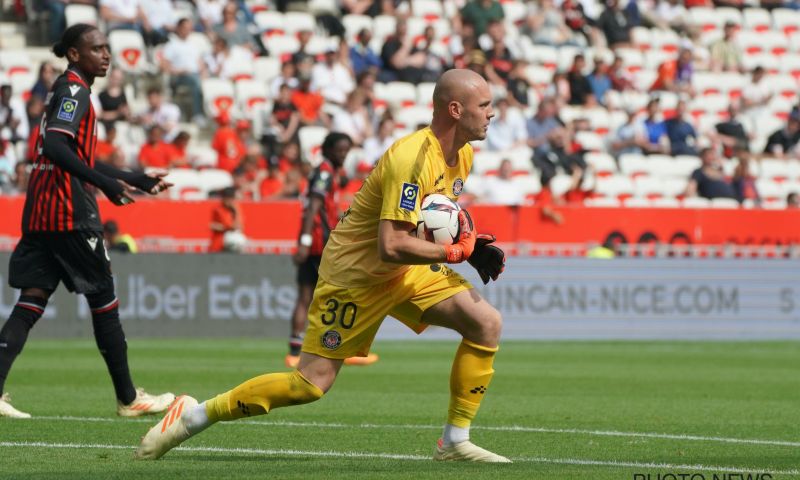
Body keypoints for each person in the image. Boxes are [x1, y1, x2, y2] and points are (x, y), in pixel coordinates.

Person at [136, 69, 510, 463]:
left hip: (406, 272)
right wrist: (458, 253)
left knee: (485, 323)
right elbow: (391, 244)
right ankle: (193, 415)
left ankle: (454, 441)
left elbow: (427, 220)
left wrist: (473, 242)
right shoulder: (411, 157)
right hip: (356, 276)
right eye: (484, 105)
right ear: (455, 109)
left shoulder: (463, 155)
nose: (491, 113)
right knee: (309, 384)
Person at [0, 24, 175, 419]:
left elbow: (77, 153)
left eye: (107, 48)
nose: (106, 55)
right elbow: (57, 146)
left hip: (42, 212)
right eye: (96, 49)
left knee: (32, 299)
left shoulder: (68, 90)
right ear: (75, 55)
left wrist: (135, 178)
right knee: (104, 300)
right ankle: (129, 399)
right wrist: (107, 186)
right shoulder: (75, 91)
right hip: (69, 214)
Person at [286, 132, 379, 368]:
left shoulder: (328, 172)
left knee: (307, 294)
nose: (343, 154)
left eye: (346, 150)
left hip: (316, 242)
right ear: (327, 150)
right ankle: (339, 346)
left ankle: (295, 350)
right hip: (320, 244)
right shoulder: (325, 173)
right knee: (342, 292)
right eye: (340, 150)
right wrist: (306, 242)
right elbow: (313, 208)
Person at [209, 186, 244, 253]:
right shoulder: (218, 209)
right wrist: (227, 227)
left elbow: (240, 226)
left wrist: (236, 211)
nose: (229, 201)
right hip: (218, 245)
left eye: (231, 199)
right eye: (227, 198)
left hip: (233, 246)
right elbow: (212, 225)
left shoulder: (236, 209)